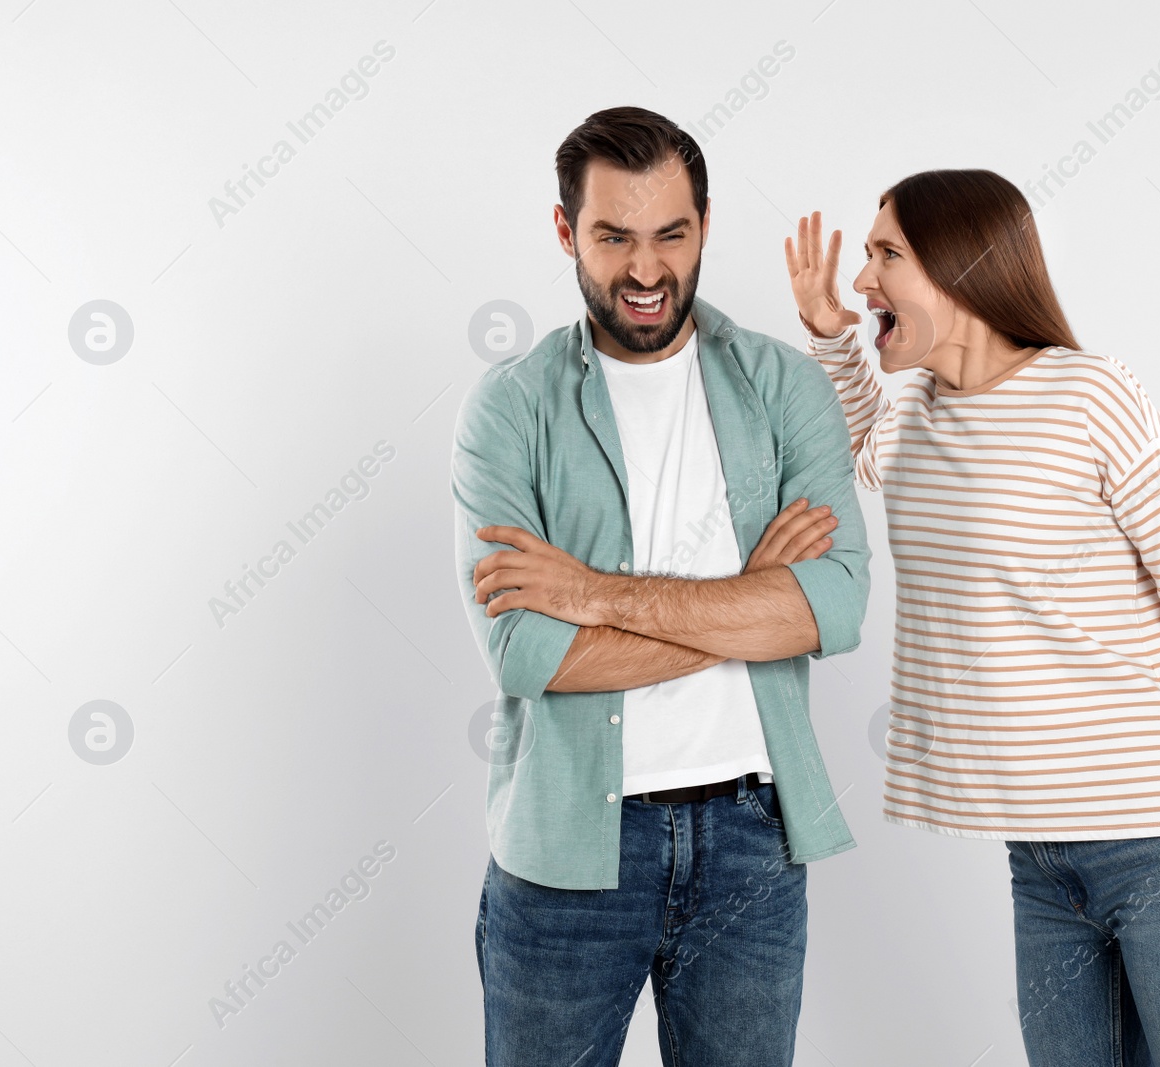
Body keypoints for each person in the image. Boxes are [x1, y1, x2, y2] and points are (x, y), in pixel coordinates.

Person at [782, 173, 1160, 1066]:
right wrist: (830, 339)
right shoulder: (918, 416)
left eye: (887, 255)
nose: (864, 280)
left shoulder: (1091, 395)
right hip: (1041, 856)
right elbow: (863, 445)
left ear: (961, 269)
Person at [450, 105, 871, 1066]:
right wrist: (755, 595)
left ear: (707, 224)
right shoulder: (510, 411)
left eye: (671, 235)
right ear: (566, 232)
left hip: (753, 847)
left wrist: (595, 594)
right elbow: (526, 653)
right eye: (614, 237)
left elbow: (835, 606)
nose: (646, 270)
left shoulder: (785, 387)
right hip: (566, 858)